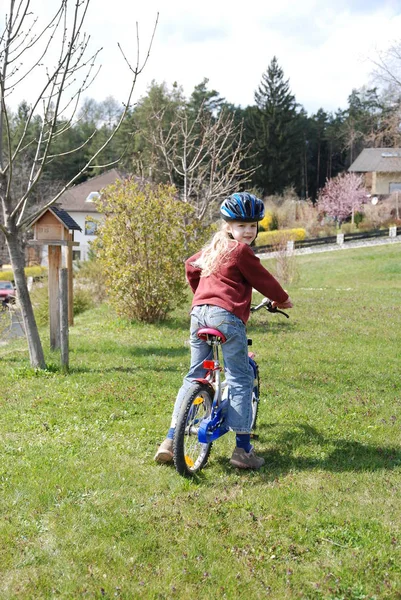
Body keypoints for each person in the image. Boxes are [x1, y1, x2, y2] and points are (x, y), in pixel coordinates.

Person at [154, 192, 293, 469]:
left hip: (198, 315)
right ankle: (242, 451)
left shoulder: (211, 250)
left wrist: (203, 294)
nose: (248, 231)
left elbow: (190, 266)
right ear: (228, 226)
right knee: (240, 377)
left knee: (194, 376)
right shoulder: (241, 251)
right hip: (226, 318)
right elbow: (263, 280)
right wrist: (282, 298)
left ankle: (170, 441)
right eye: (241, 226)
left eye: (252, 226)